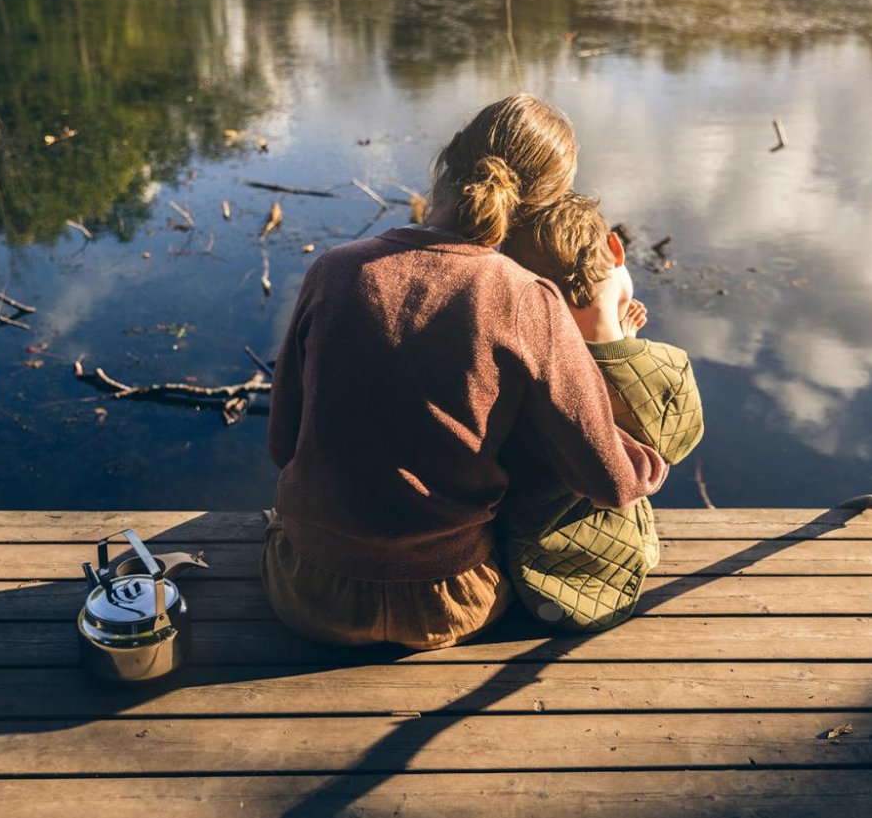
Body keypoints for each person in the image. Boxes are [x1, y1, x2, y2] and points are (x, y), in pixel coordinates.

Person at [263, 94, 667, 650]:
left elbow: (283, 443)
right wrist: (647, 442)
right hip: (451, 603)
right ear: (538, 212)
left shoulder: (333, 270)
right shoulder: (527, 297)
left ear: (444, 167)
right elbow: (612, 483)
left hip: (309, 595)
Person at [498, 193, 704, 631]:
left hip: (521, 561)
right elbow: (677, 443)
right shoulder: (669, 365)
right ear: (615, 249)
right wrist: (629, 349)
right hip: (610, 567)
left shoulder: (517, 364)